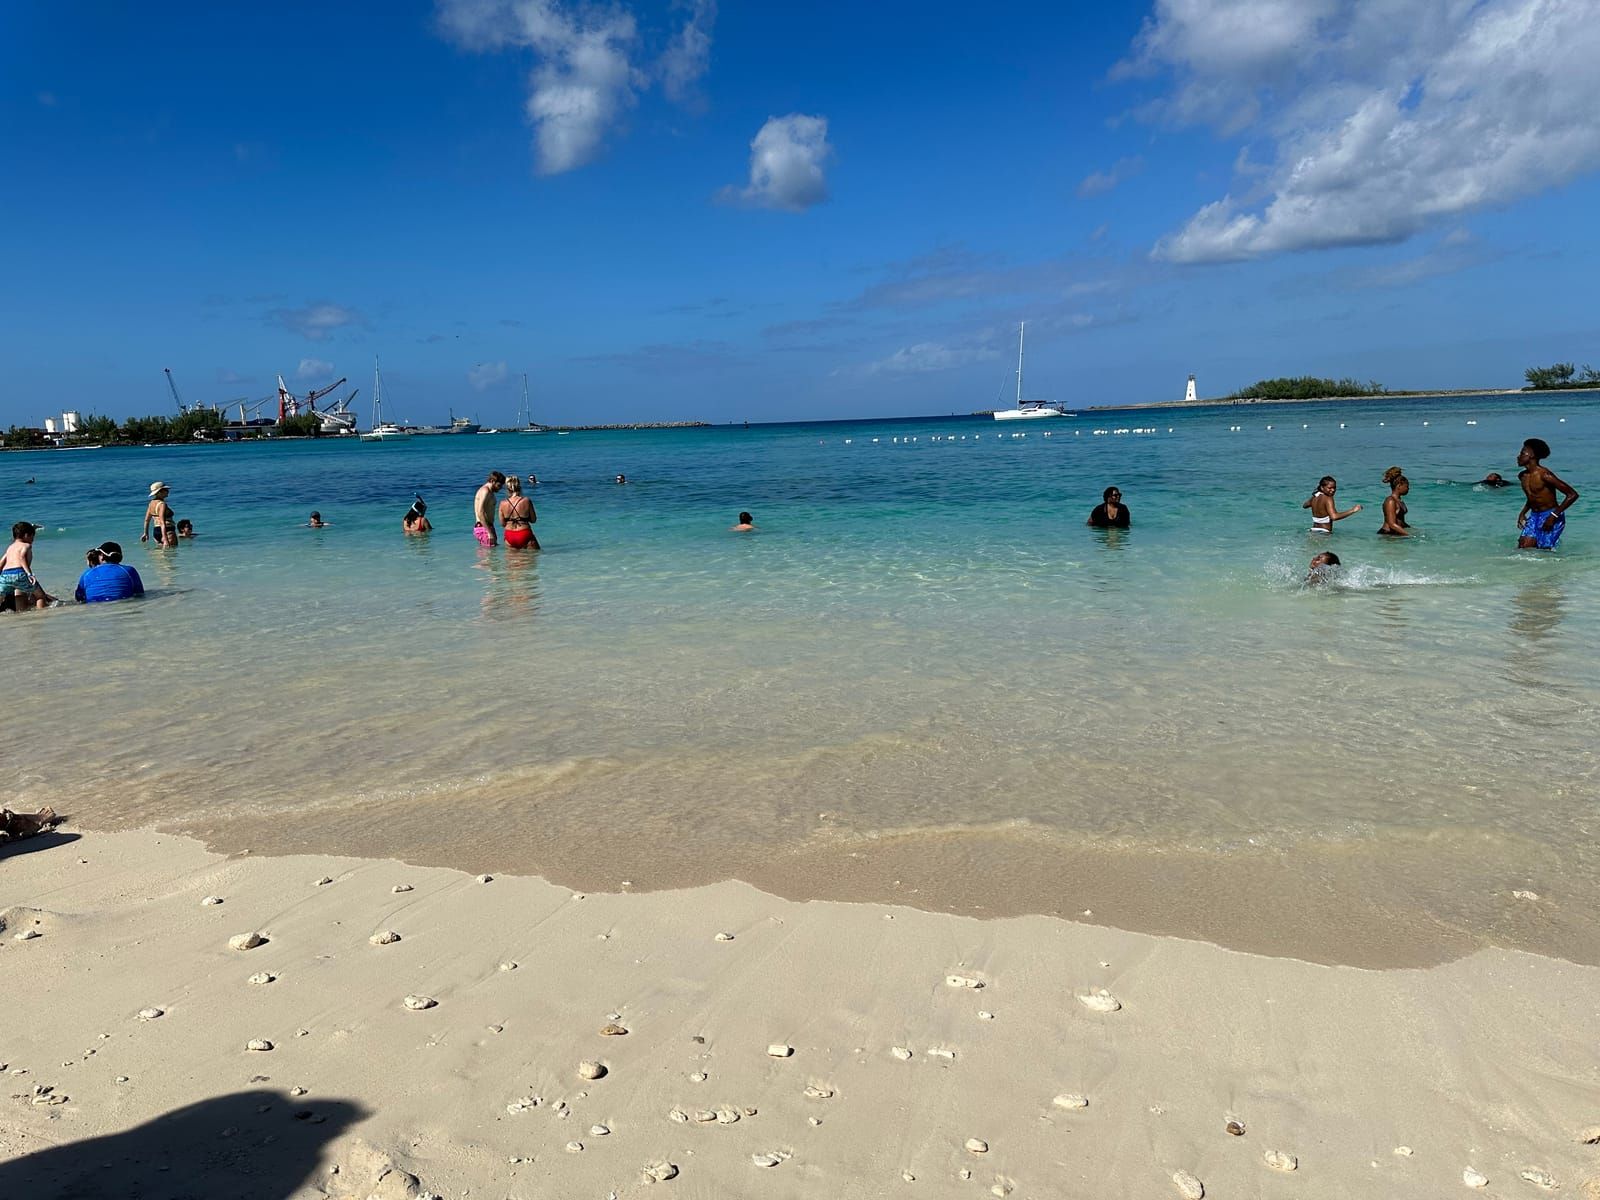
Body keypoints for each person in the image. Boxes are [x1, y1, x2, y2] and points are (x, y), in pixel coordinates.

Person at [1516, 438, 1579, 549]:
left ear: (1531, 455)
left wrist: (1553, 516)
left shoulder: (1545, 475)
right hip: (1534, 516)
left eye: (1522, 453)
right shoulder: (1522, 476)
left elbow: (1572, 494)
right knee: (1523, 547)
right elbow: (1532, 497)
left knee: (1544, 553)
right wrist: (1522, 513)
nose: (1518, 456)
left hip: (1550, 515)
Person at [2, 521, 56, 610]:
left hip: (6, 575)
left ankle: (21, 614)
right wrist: (29, 574)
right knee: (40, 596)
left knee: (19, 595)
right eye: (32, 537)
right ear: (27, 535)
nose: (33, 540)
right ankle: (41, 614)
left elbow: (2, 562)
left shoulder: (10, 548)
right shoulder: (26, 545)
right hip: (20, 573)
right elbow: (22, 556)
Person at [74, 541, 144, 603]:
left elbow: (79, 598)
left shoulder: (87, 574)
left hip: (95, 611)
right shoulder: (129, 570)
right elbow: (139, 593)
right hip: (122, 607)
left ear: (101, 556)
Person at [498, 475, 539, 549]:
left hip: (509, 534)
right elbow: (533, 520)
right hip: (524, 532)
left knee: (512, 560)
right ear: (519, 486)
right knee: (532, 558)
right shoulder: (526, 500)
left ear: (507, 488)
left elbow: (503, 524)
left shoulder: (502, 503)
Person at [473, 470, 506, 546]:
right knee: (488, 556)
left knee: (490, 554)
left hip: (487, 526)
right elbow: (480, 512)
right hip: (483, 527)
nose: (500, 488)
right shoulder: (485, 491)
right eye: (499, 485)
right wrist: (489, 532)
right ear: (492, 481)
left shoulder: (489, 491)